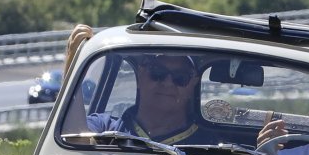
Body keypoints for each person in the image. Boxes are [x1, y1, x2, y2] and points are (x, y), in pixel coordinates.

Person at [84, 53, 215, 146]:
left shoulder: (211, 146)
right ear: (140, 75)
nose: (168, 83)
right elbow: (76, 142)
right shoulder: (104, 128)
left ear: (193, 84)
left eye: (180, 77)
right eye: (158, 72)